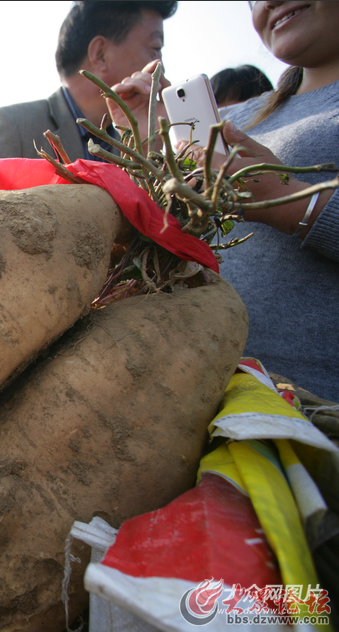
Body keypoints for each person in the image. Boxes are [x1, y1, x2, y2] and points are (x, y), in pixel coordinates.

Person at [108, 1, 338, 401]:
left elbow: (275, 197)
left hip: (312, 410)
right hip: (198, 389)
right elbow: (175, 228)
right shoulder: (242, 114)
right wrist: (147, 143)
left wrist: (290, 202)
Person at [0, 1, 177, 197]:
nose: (160, 65)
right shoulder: (13, 126)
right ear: (100, 54)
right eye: (155, 48)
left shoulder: (133, 149)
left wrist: (146, 148)